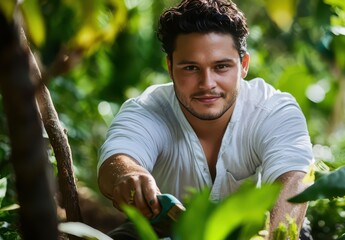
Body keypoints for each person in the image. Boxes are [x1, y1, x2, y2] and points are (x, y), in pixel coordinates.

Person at [97, 0, 314, 239]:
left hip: (255, 231)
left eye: (221, 66)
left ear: (243, 66)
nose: (207, 84)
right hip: (165, 231)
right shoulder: (146, 110)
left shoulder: (273, 110)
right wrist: (128, 175)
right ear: (170, 67)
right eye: (191, 68)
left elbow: (293, 180)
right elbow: (117, 160)